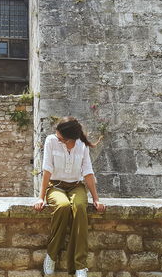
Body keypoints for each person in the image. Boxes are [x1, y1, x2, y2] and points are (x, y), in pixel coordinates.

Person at [33, 116, 106, 277]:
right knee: (63, 206)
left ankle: (80, 265)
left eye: (61, 138)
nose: (57, 138)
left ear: (69, 139)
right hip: (55, 186)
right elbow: (47, 169)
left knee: (80, 208)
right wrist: (41, 197)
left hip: (76, 186)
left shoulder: (82, 146)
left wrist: (96, 199)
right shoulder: (51, 141)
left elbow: (88, 172)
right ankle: (51, 255)